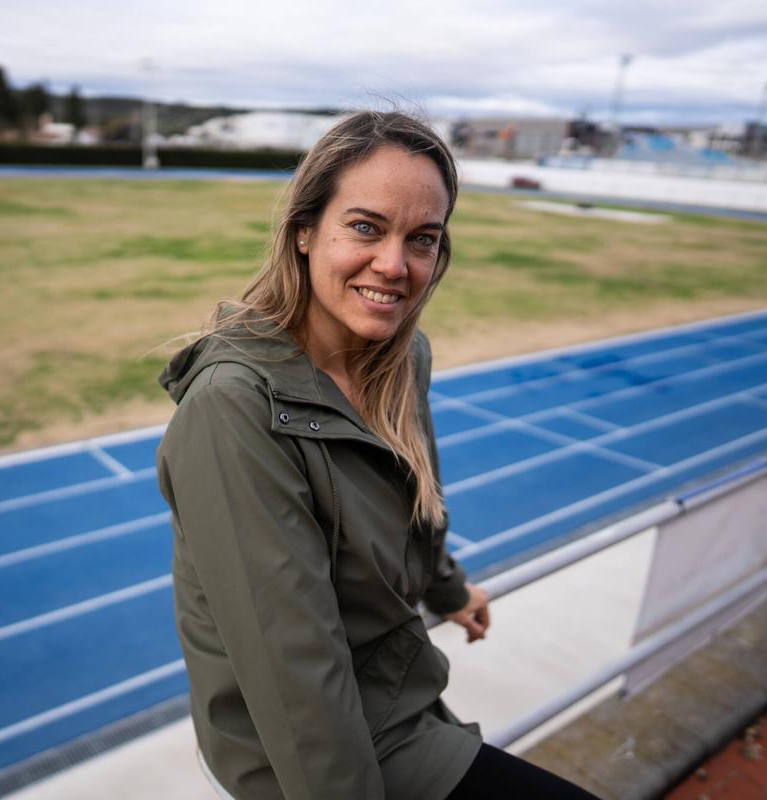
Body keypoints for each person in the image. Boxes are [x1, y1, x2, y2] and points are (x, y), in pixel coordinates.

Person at [156, 111, 599, 800]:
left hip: (398, 700)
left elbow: (415, 507)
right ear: (304, 231)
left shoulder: (399, 358)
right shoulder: (232, 408)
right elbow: (294, 679)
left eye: (422, 239)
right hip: (307, 754)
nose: (394, 266)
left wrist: (449, 589)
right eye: (366, 227)